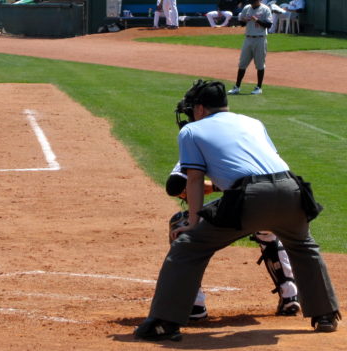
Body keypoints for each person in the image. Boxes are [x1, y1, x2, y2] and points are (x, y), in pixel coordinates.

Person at [134, 80, 341, 342]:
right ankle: (325, 315)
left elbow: (194, 180)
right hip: (293, 189)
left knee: (188, 247)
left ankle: (165, 322)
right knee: (303, 246)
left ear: (199, 108)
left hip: (250, 197)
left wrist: (194, 222)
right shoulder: (252, 122)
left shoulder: (192, 131)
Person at [166, 162, 301, 321]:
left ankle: (194, 304)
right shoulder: (254, 141)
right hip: (287, 200)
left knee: (180, 225)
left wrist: (194, 187)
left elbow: (174, 186)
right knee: (267, 230)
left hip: (248, 205)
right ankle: (289, 294)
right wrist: (215, 187)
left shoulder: (195, 141)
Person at [226, 0, 272, 96]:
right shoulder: (247, 8)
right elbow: (242, 23)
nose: (251, 2)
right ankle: (237, 87)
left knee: (260, 64)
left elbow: (269, 24)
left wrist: (257, 20)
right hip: (248, 38)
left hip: (260, 39)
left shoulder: (265, 9)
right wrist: (243, 20)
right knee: (242, 63)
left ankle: (259, 87)